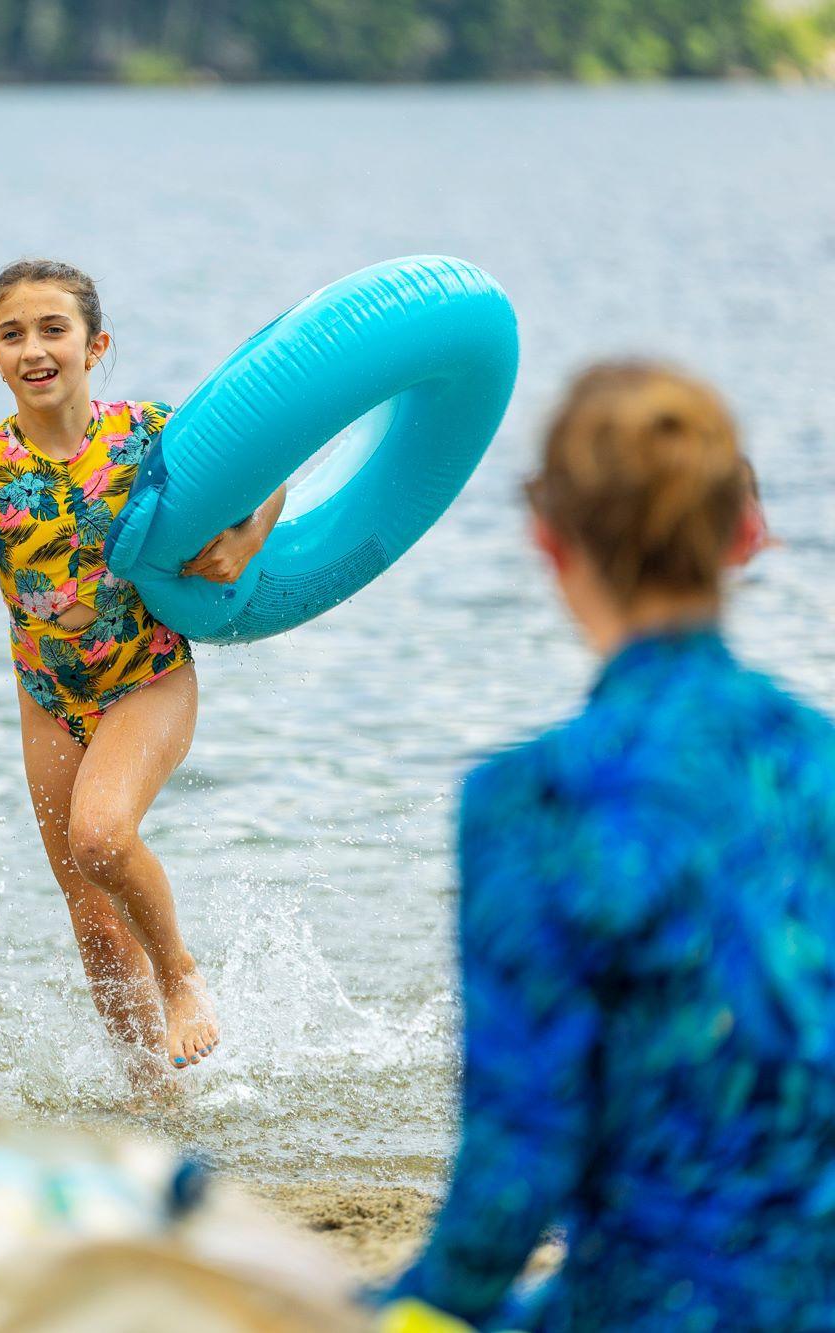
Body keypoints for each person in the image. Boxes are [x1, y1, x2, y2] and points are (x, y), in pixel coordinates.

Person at [385, 363, 835, 1330]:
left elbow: (518, 1172)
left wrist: (396, 1311)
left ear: (549, 541)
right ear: (741, 534)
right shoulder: (820, 767)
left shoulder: (535, 804)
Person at [0, 260, 284, 1084]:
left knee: (100, 836)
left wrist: (247, 539)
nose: (34, 348)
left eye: (53, 329)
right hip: (49, 699)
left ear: (96, 345)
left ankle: (181, 976)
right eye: (12, 334)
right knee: (92, 918)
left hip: (150, 675)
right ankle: (149, 1094)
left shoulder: (152, 436)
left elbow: (266, 473)